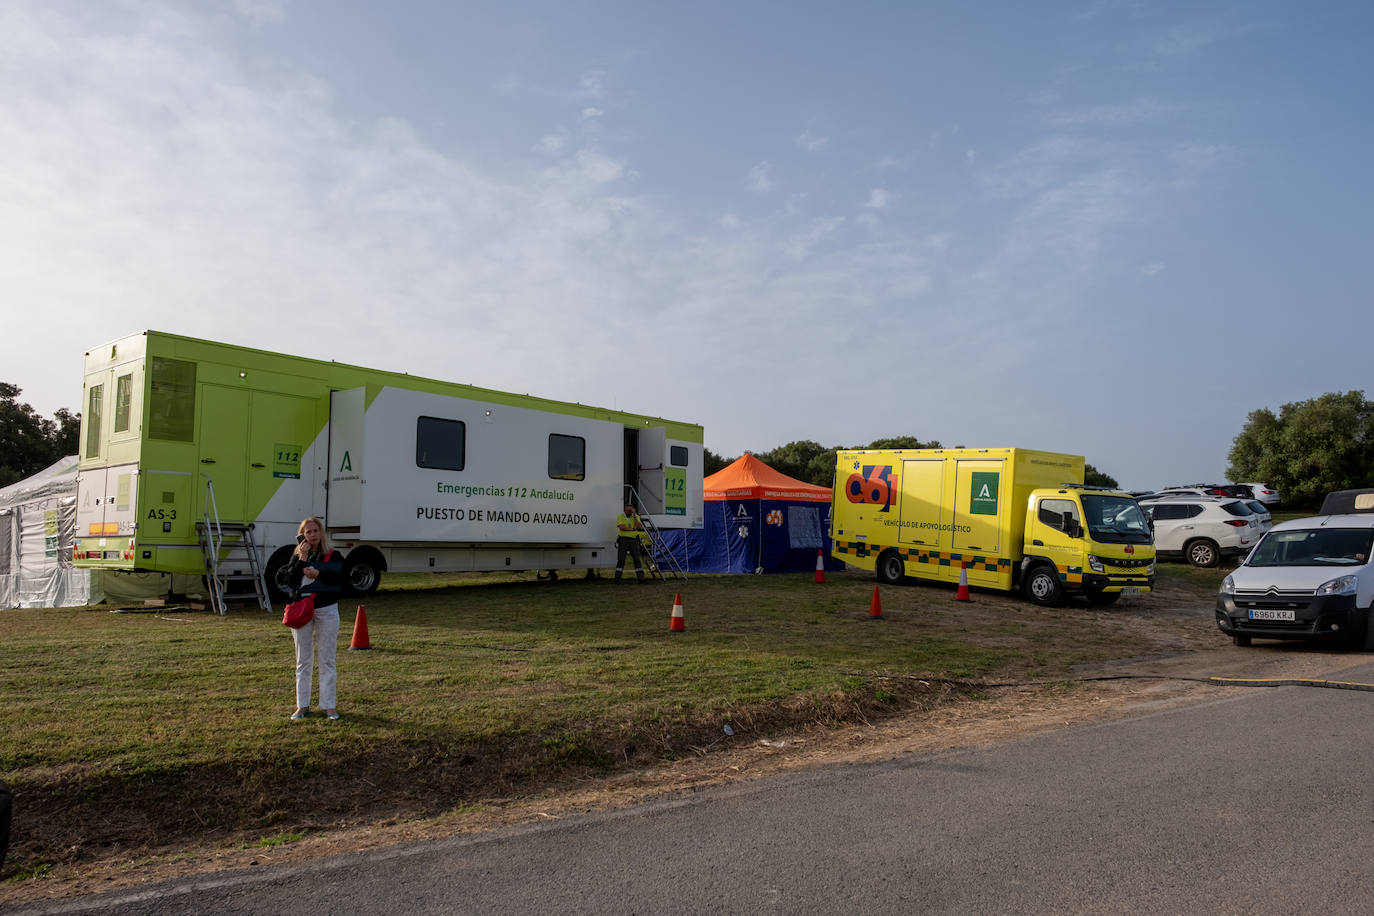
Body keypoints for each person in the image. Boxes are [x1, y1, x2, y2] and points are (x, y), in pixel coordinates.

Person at [285, 517, 344, 720]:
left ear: (321, 533)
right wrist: (301, 558)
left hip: (327, 609)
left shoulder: (334, 555)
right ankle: (302, 705)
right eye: (308, 532)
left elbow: (342, 581)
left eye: (315, 531)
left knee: (327, 659)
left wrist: (319, 574)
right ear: (302, 536)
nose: (312, 535)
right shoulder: (297, 556)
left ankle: (329, 706)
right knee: (303, 659)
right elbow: (289, 581)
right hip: (302, 611)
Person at [614, 505, 648, 583]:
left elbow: (639, 527)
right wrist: (632, 529)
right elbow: (622, 527)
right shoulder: (620, 516)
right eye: (628, 511)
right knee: (621, 559)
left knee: (637, 559)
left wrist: (634, 515)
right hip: (623, 539)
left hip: (634, 540)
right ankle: (617, 579)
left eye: (631, 510)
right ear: (624, 510)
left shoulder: (635, 516)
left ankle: (641, 578)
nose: (629, 512)